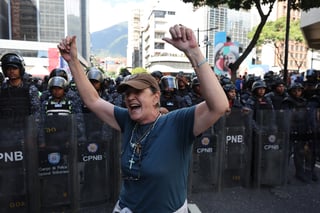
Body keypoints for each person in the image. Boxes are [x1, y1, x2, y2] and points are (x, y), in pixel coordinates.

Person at [58, 24, 228, 213]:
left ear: (156, 97)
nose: (130, 97)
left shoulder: (177, 123)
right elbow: (93, 100)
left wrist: (194, 52)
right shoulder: (127, 120)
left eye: (138, 91)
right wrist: (72, 61)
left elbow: (219, 106)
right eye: (127, 93)